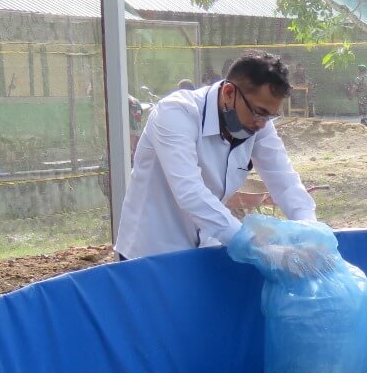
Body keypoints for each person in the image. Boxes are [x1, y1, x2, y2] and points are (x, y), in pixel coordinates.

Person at [115, 50, 317, 261]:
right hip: (152, 253)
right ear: (229, 93)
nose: (262, 123)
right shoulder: (176, 113)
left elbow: (285, 182)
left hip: (206, 249)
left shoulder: (258, 124)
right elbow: (190, 193)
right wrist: (255, 246)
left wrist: (310, 232)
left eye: (270, 116)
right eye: (259, 112)